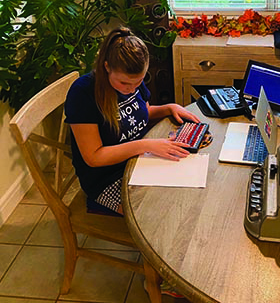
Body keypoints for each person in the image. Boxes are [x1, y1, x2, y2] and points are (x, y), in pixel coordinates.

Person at [65, 27, 200, 217]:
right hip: (106, 178)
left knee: (183, 195)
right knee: (158, 216)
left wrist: (169, 107)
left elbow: (141, 113)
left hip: (139, 160)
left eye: (138, 82)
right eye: (124, 84)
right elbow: (93, 157)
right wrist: (145, 145)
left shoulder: (133, 79)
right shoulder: (84, 93)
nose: (131, 89)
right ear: (106, 67)